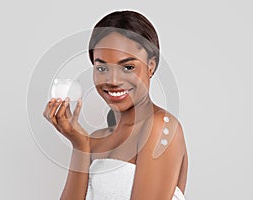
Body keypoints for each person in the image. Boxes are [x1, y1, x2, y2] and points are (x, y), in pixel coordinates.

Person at [43, 10, 188, 200]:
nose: (112, 80)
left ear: (151, 65)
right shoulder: (96, 140)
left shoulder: (162, 127)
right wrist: (79, 144)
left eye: (128, 67)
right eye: (102, 68)